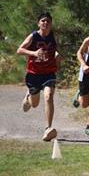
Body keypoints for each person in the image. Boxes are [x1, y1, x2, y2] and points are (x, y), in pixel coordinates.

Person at [17, 12, 60, 142]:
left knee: (49, 96)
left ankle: (48, 129)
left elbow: (55, 50)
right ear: (38, 23)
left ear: (51, 24)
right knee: (34, 104)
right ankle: (29, 97)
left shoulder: (53, 36)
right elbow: (19, 50)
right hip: (33, 74)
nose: (45, 23)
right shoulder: (33, 36)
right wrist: (34, 53)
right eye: (43, 21)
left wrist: (57, 55)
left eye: (48, 21)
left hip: (48, 73)